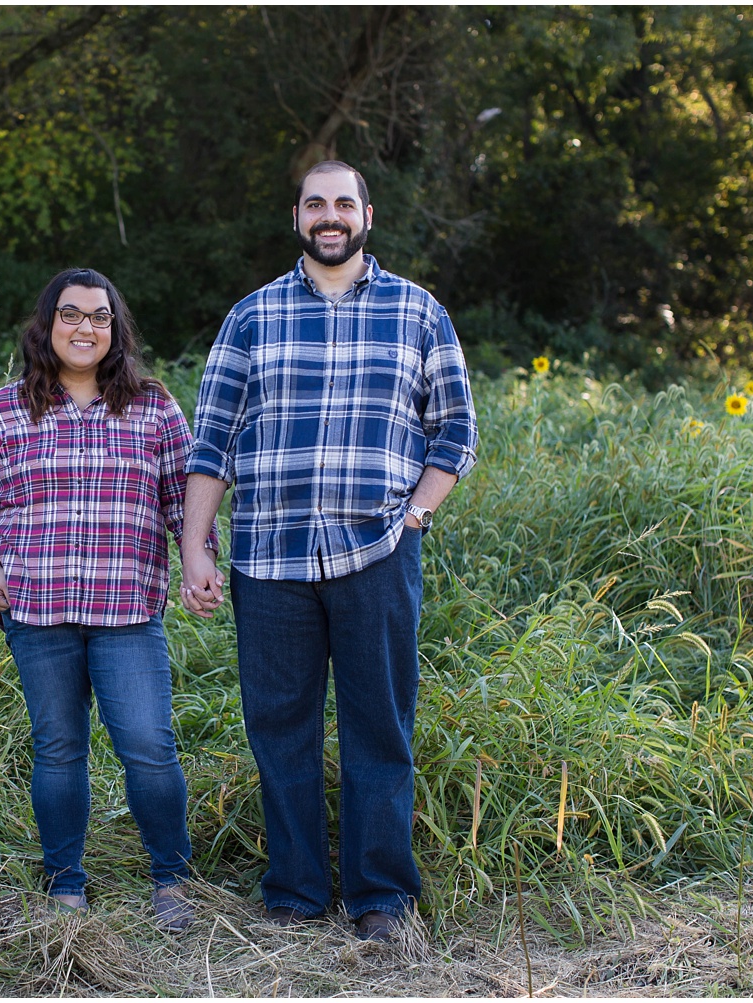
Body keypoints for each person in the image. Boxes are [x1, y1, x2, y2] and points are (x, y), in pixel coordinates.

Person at [178, 161, 478, 942]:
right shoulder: (251, 317)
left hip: (378, 550)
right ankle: (296, 892)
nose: (331, 216)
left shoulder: (418, 312)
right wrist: (195, 546)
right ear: (297, 216)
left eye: (344, 202)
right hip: (270, 559)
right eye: (317, 204)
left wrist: (417, 514)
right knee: (280, 729)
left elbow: (456, 430)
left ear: (367, 214)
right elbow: (212, 442)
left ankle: (382, 898)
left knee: (380, 726)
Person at [0, 267, 215, 932]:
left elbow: (184, 502)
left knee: (148, 744)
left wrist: (197, 558)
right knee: (58, 747)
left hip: (128, 612)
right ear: (46, 325)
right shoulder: (2, 408)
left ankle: (171, 879)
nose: (84, 327)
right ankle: (65, 883)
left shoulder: (154, 407)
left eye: (98, 316)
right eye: (70, 314)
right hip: (36, 610)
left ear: (115, 330)